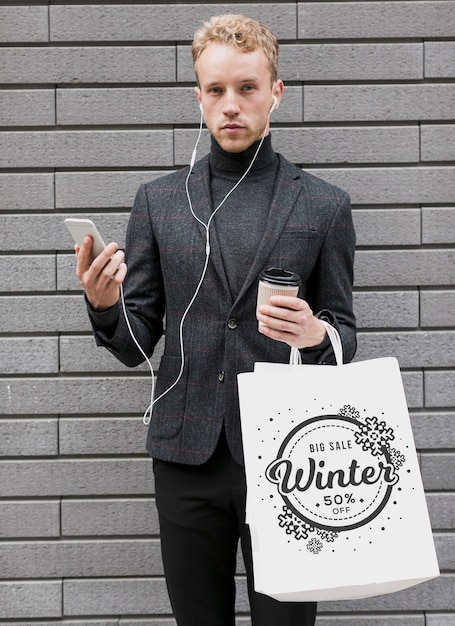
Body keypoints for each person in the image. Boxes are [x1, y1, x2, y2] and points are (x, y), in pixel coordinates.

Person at [74, 14, 356, 626]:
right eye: (216, 90)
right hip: (186, 455)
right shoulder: (158, 201)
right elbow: (136, 341)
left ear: (276, 92)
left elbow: (343, 332)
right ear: (198, 96)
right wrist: (104, 306)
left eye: (247, 88)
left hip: (290, 462)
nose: (231, 105)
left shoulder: (324, 204)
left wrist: (317, 335)